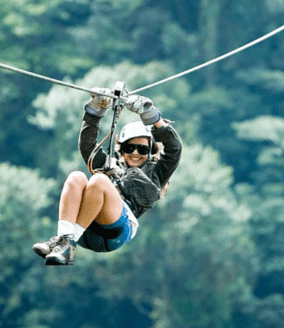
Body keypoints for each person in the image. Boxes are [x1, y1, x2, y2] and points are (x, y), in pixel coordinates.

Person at [33, 88, 182, 265]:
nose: (135, 153)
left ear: (150, 151)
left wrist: (152, 117)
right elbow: (87, 146)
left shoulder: (157, 172)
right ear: (122, 149)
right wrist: (95, 111)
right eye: (129, 148)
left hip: (116, 232)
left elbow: (175, 149)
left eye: (142, 149)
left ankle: (68, 244)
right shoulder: (110, 164)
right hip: (86, 229)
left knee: (99, 180)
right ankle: (64, 240)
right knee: (76, 177)